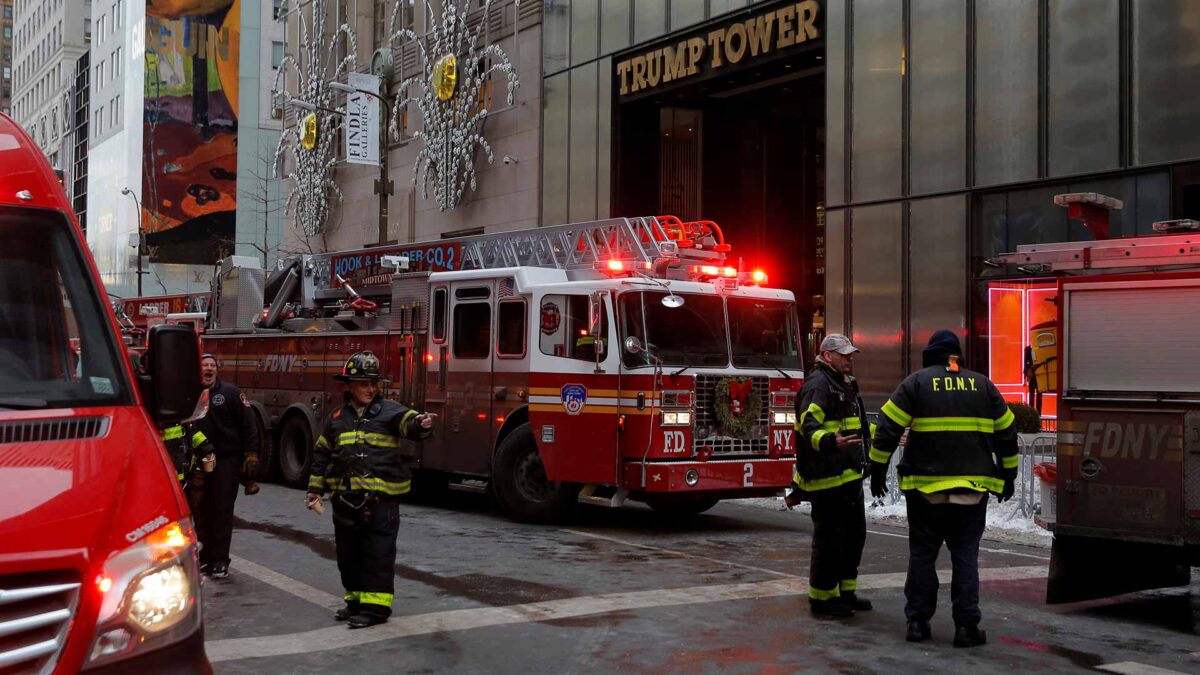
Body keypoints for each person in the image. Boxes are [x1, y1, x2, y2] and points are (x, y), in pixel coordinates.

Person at [868, 330, 1018, 647]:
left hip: (925, 490)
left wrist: (878, 467)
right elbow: (1007, 431)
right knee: (965, 558)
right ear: (956, 356)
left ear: (929, 355)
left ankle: (918, 623)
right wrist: (1010, 472)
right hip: (971, 489)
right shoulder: (983, 385)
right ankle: (966, 628)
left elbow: (888, 426)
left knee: (922, 555)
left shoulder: (917, 383)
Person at [305, 351, 436, 629]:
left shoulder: (390, 410)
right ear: (350, 385)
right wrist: (315, 490)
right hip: (345, 500)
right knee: (347, 555)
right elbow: (322, 454)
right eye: (365, 383)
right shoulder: (337, 417)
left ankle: (375, 609)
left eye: (374, 383)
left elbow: (410, 423)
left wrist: (421, 424)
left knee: (378, 554)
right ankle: (355, 602)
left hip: (380, 503)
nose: (371, 388)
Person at [792, 334, 873, 618]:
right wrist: (830, 442)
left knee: (853, 538)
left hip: (848, 476)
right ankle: (823, 599)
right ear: (827, 356)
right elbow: (807, 424)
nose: (850, 358)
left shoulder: (845, 383)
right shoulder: (819, 384)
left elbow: (856, 426)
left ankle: (845, 593)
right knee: (830, 541)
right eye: (844, 354)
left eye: (851, 353)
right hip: (827, 479)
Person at [194, 354, 261, 579]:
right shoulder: (191, 394)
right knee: (200, 511)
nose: (209, 369)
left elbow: (249, 425)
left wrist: (251, 455)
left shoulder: (231, 393)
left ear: (217, 370)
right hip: (199, 462)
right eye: (205, 365)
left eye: (212, 365)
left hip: (226, 461)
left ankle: (220, 561)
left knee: (221, 510)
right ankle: (204, 559)